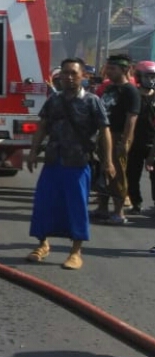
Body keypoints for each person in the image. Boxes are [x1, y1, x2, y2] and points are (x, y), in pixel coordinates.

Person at [26, 58, 113, 271]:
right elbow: (43, 126)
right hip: (53, 160)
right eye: (65, 73)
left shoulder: (92, 101)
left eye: (74, 73)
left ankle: (75, 252)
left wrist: (109, 161)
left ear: (84, 76)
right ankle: (43, 244)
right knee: (44, 204)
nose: (69, 77)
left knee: (76, 207)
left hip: (78, 163)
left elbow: (105, 131)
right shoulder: (54, 100)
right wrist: (33, 151)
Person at [92, 54, 140, 225]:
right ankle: (102, 208)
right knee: (101, 172)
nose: (108, 71)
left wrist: (124, 142)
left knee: (117, 174)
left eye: (113, 69)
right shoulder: (109, 88)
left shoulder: (130, 91)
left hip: (118, 136)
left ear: (125, 69)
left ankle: (118, 212)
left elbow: (131, 119)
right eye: (108, 68)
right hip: (103, 136)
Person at [127, 60, 155, 214]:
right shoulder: (133, 95)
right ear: (138, 76)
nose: (151, 80)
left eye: (154, 77)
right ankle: (136, 202)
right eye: (148, 76)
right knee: (132, 175)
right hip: (135, 142)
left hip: (153, 143)